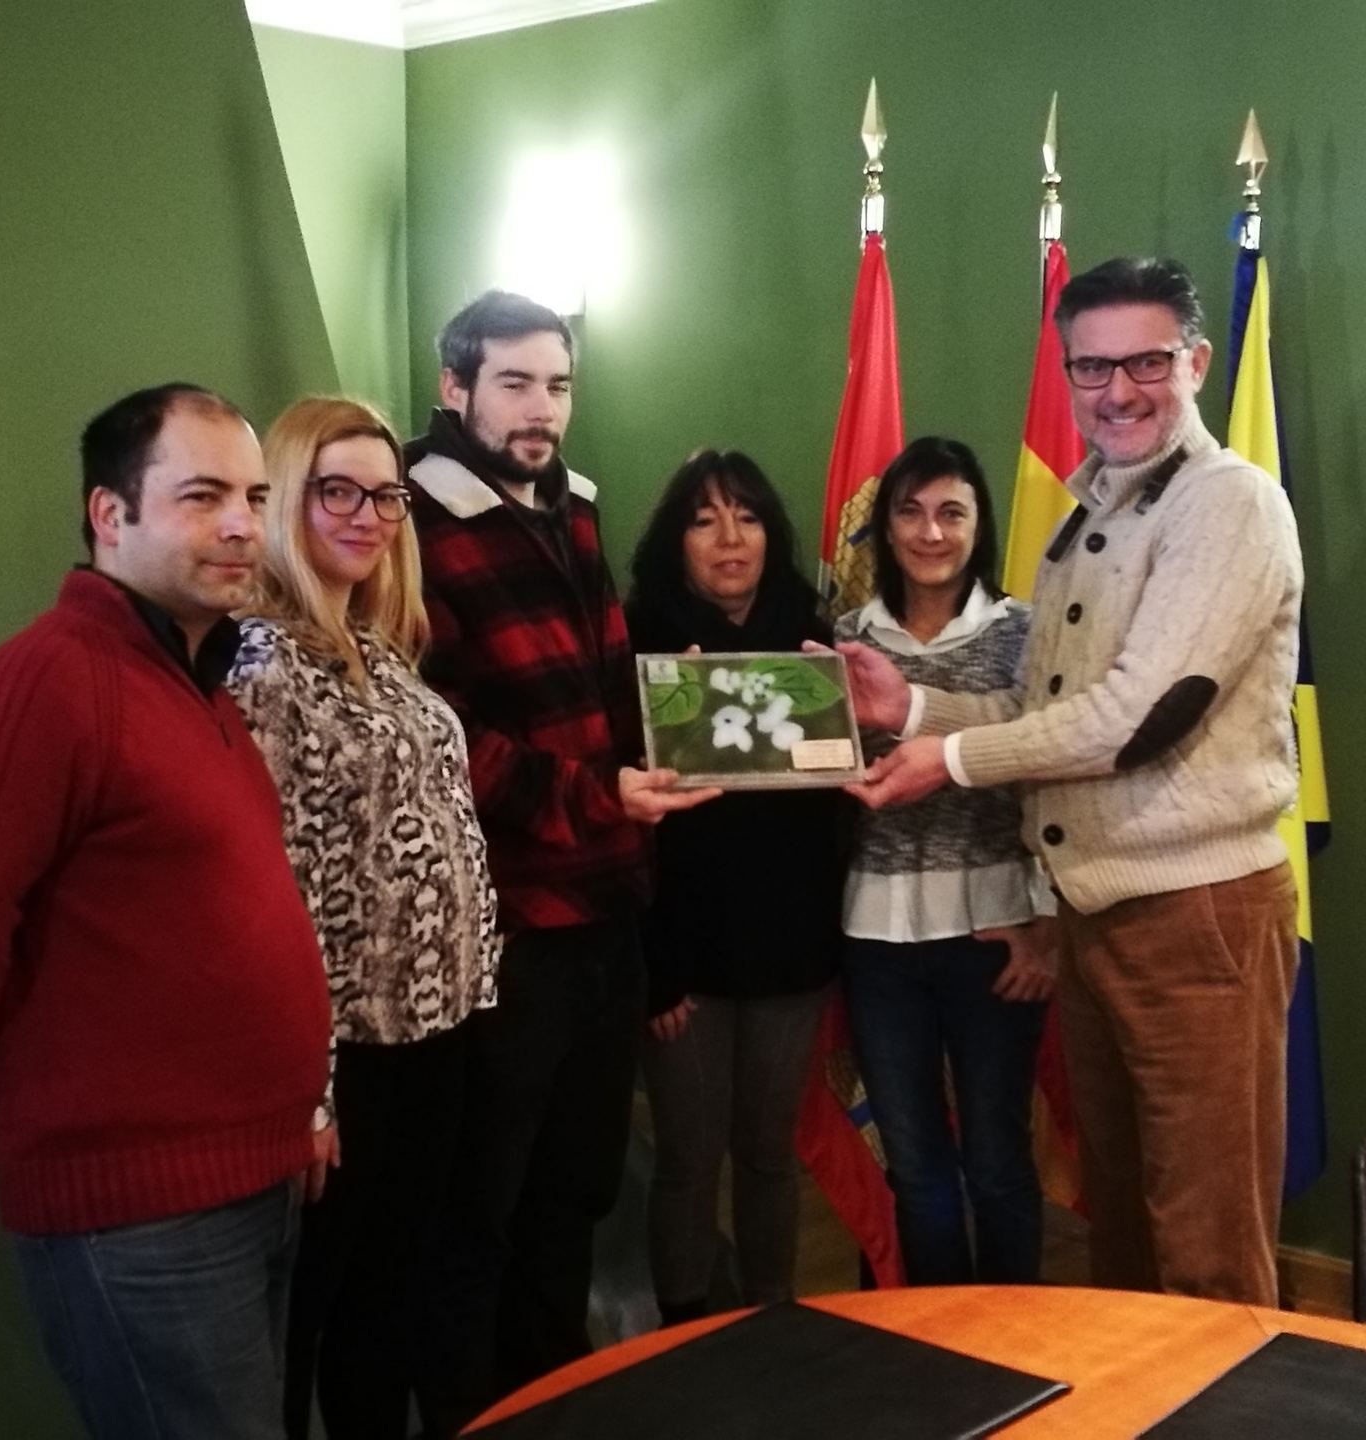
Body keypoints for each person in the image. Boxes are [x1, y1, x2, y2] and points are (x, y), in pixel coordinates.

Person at [0, 383, 331, 1439]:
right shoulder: (49, 681)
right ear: (109, 514)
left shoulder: (195, 682)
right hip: (144, 1216)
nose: (241, 526)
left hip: (253, 1177)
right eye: (202, 496)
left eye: (255, 498)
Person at [844, 256, 1304, 1306]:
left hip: (1197, 914)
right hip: (1100, 913)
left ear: (1197, 362)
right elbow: (1042, 710)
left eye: (1147, 362)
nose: (1118, 390)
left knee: (1207, 1239)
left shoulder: (1227, 505)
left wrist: (947, 760)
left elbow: (1135, 719)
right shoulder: (1088, 515)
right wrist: (909, 708)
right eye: (1091, 368)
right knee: (1126, 1222)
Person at [403, 290, 713, 1432]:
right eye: (516, 383)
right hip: (505, 932)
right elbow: (435, 732)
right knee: (480, 1207)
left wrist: (686, 718)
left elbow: (606, 689)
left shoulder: (573, 506)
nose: (542, 409)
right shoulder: (408, 516)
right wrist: (593, 795)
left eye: (559, 385)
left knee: (575, 1191)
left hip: (604, 913)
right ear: (455, 388)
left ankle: (551, 1401)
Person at [226, 396, 502, 1439]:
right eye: (335, 490)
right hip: (348, 1052)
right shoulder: (263, 665)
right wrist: (311, 1094)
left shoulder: (378, 650)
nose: (367, 515)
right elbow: (276, 887)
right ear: (285, 498)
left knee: (392, 1301)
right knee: (318, 1316)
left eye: (386, 495)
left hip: (436, 1027)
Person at [623, 450, 845, 1324]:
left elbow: (836, 807)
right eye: (704, 519)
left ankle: (771, 1319)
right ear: (675, 540)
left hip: (791, 950)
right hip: (684, 961)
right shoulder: (637, 642)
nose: (728, 537)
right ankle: (683, 1330)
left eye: (746, 516)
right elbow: (624, 826)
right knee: (687, 1157)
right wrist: (654, 964)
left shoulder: (814, 640)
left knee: (769, 1154)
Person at [832, 436, 1054, 1287]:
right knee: (915, 1163)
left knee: (997, 1160)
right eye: (911, 511)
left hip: (997, 934)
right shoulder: (844, 642)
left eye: (951, 513)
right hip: (876, 941)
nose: (931, 533)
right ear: (885, 527)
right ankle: (931, 1338)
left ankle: (1009, 1337)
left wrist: (1049, 927)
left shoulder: (1024, 633)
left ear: (979, 525)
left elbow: (1056, 776)